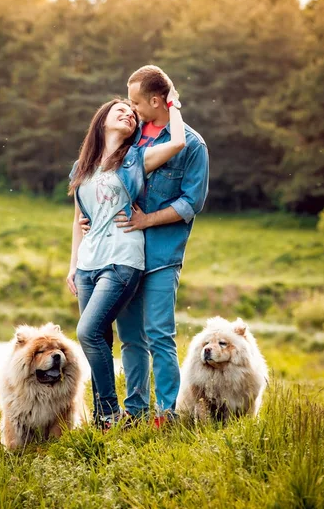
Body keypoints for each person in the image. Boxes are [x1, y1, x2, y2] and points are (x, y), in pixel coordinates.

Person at [81, 66, 210, 425]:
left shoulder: (192, 144)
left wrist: (147, 220)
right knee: (131, 340)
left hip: (161, 254)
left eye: (136, 101)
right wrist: (93, 214)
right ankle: (135, 413)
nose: (131, 108)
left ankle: (168, 414)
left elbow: (191, 203)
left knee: (159, 335)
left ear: (156, 101)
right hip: (123, 256)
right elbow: (106, 182)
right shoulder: (132, 140)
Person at [66, 92, 185, 429]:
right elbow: (78, 220)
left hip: (122, 259)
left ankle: (109, 413)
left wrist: (172, 103)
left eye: (133, 114)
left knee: (87, 332)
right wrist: (73, 265)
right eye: (121, 110)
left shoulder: (135, 159)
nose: (129, 115)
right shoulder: (82, 167)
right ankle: (109, 419)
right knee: (99, 338)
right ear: (102, 120)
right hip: (89, 262)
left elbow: (177, 142)